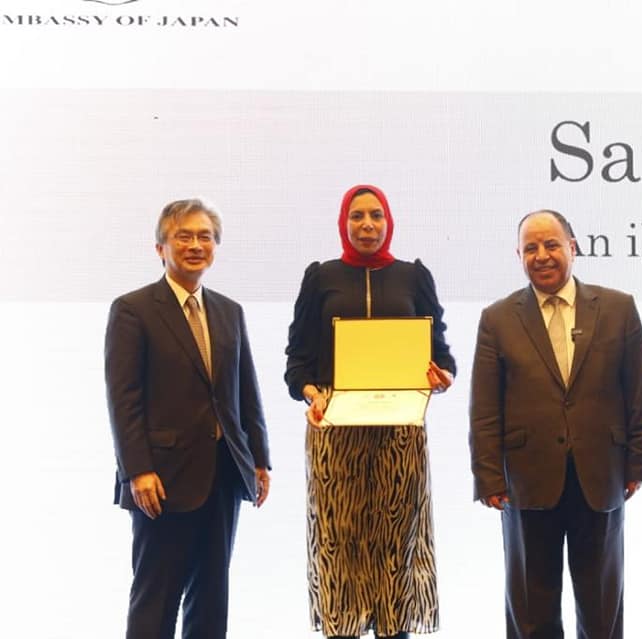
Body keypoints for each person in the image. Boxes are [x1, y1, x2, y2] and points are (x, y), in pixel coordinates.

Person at [469, 209, 642, 639]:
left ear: (573, 247)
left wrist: (639, 463)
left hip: (601, 475)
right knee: (531, 613)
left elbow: (640, 393)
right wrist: (488, 476)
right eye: (530, 248)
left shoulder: (618, 308)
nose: (541, 255)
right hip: (525, 481)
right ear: (518, 255)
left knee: (601, 610)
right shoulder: (497, 318)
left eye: (551, 244)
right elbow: (484, 408)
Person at [285, 184, 456, 639]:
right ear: (343, 222)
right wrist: (311, 393)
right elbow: (297, 360)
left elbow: (440, 353)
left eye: (375, 216)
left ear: (389, 221)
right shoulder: (321, 277)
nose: (367, 225)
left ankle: (395, 630)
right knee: (339, 544)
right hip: (335, 431)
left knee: (396, 545)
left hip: (399, 433)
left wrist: (442, 376)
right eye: (357, 216)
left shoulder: (413, 277)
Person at [105, 198, 271, 639]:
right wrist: (137, 470)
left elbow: (246, 391)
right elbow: (123, 399)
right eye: (184, 236)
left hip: (223, 473)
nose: (196, 245)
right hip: (161, 480)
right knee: (156, 598)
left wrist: (259, 458)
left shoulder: (229, 311)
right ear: (160, 247)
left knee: (211, 598)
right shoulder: (133, 309)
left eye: (205, 236)